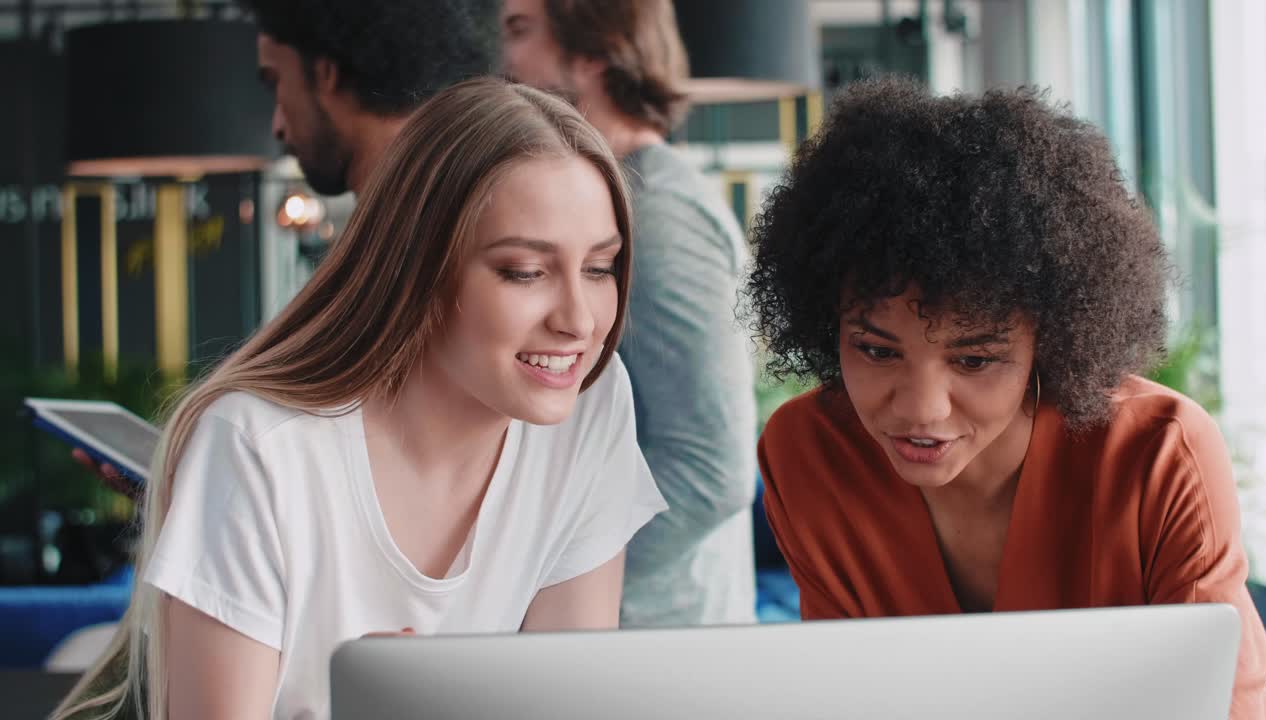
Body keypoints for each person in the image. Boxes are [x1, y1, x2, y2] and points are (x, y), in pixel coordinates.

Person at [53, 78, 666, 720]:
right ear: (419, 267)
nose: (579, 320)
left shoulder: (590, 406)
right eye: (524, 272)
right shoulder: (260, 447)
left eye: (600, 268)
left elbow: (566, 703)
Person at [748, 76, 1266, 719]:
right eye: (878, 351)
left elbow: (1225, 706)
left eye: (973, 360)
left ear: (1049, 338)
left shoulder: (1161, 453)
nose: (921, 408)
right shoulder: (809, 452)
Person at [73, 0, 498, 483]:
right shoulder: (410, 237)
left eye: (277, 82)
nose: (276, 125)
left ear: (327, 74)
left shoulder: (427, 250)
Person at [501, 0, 758, 627]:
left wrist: (532, 595)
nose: (503, 58)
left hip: (655, 648)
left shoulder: (658, 213)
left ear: (591, 54)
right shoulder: (612, 194)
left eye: (519, 30)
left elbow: (711, 468)